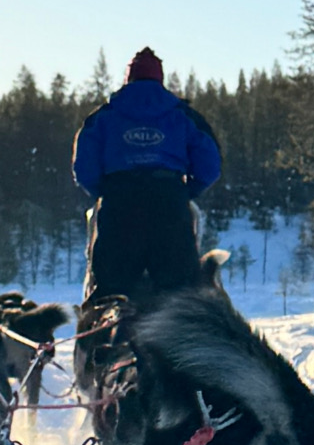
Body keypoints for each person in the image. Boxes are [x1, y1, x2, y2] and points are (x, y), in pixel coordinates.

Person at [73, 47, 221, 301]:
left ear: (127, 79)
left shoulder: (103, 117)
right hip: (169, 206)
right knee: (180, 295)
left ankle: (106, 334)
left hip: (120, 208)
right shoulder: (183, 116)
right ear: (160, 79)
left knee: (111, 295)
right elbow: (210, 165)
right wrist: (186, 191)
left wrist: (107, 191)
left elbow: (84, 169)